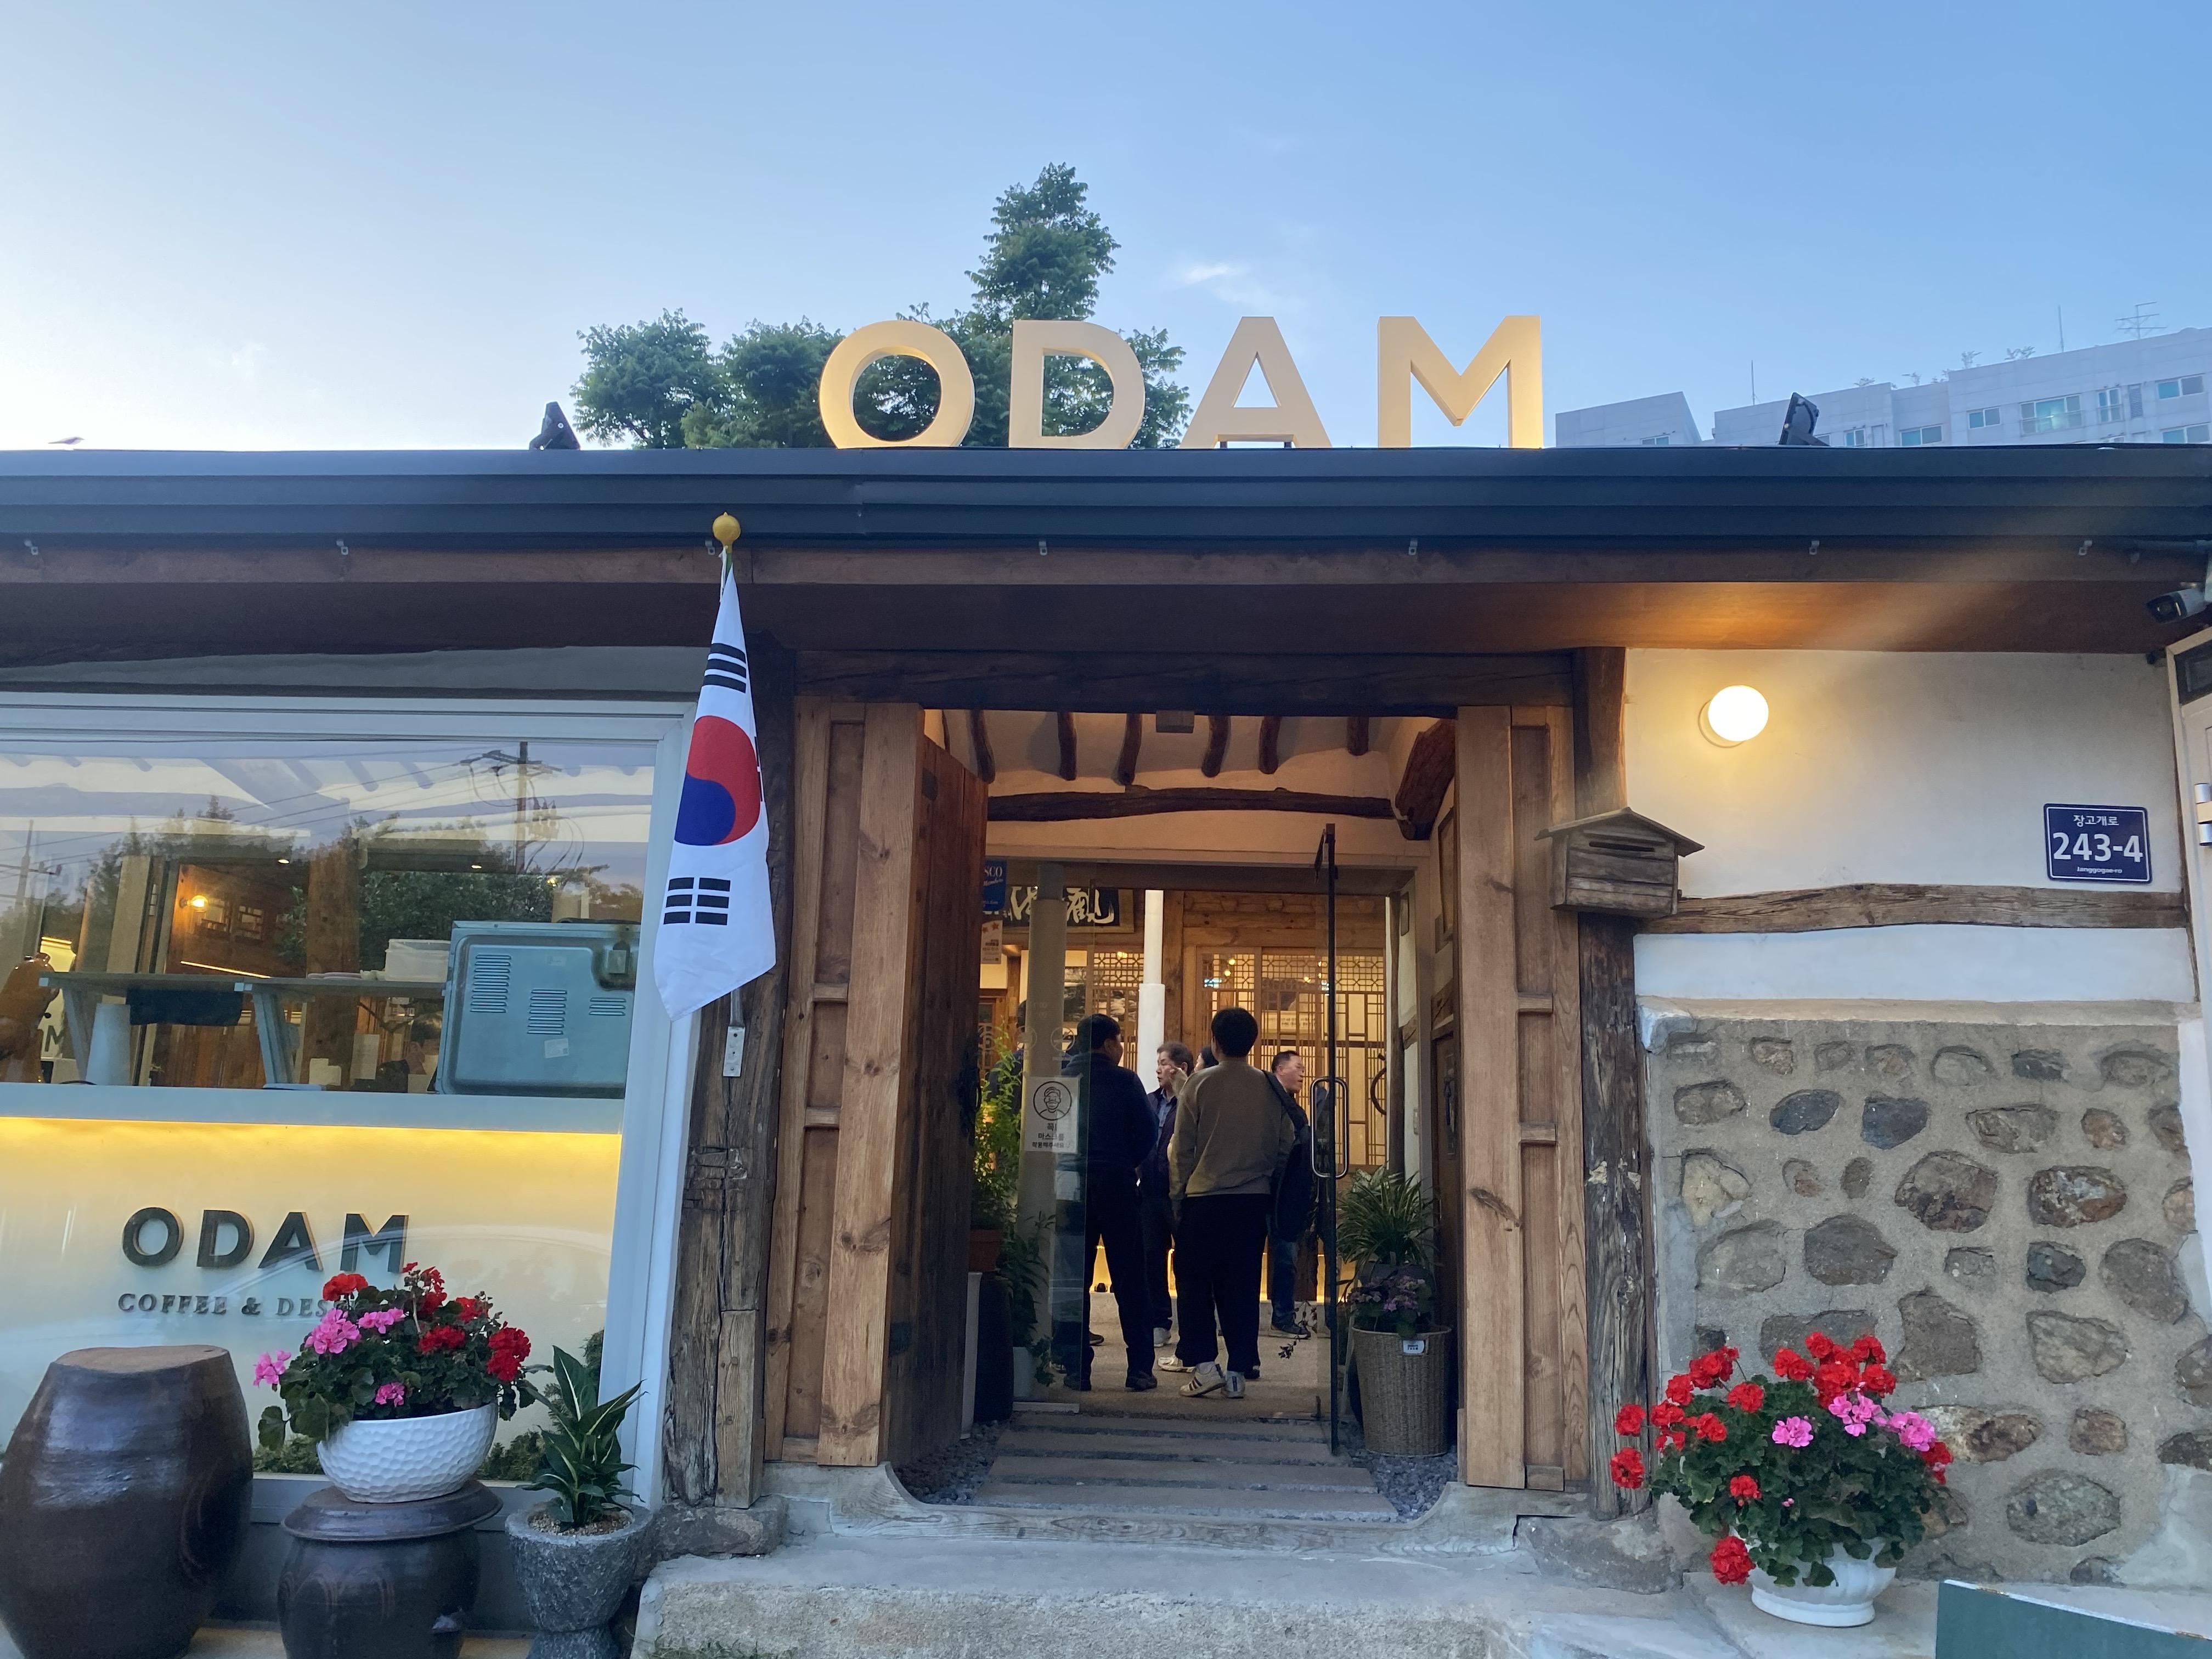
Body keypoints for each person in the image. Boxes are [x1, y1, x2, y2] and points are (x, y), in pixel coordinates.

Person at [1164, 1007, 1294, 1400]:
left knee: (1194, 1283)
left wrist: (1177, 1195)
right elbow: (1286, 1144)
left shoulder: (1199, 1084)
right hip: (1253, 1201)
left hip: (1204, 1200)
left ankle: (1205, 1367)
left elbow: (1182, 1150)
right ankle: (1238, 1371)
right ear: (1252, 1042)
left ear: (1216, 1042)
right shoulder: (1270, 1085)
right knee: (1243, 1286)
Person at [1070, 1013, 1158, 1390]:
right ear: (1108, 1044)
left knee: (1074, 1278)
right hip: (1117, 1183)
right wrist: (1125, 1162)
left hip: (1070, 1184)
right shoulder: (1126, 1081)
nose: (1122, 1048)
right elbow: (1148, 1132)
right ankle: (1139, 1369)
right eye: (1120, 1041)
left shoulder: (1063, 1078)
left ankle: (1076, 1368)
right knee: (1130, 1277)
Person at [1138, 1041, 1194, 1349]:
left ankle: (1191, 1328)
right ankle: (1159, 1322)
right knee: (1151, 1259)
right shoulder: (1149, 1101)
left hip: (1182, 1195)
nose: (1158, 1069)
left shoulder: (1191, 1102)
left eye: (1164, 1063)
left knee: (1186, 1263)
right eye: (1158, 1063)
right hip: (1149, 1192)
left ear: (1181, 1068)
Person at [1266, 1051, 1317, 1338]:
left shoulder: (1295, 1109)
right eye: (1298, 1067)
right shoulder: (1265, 1103)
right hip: (1262, 1189)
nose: (1302, 1073)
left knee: (1286, 1259)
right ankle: (1236, 1318)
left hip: (1286, 1194)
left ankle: (1283, 1317)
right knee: (1248, 1258)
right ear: (1279, 1069)